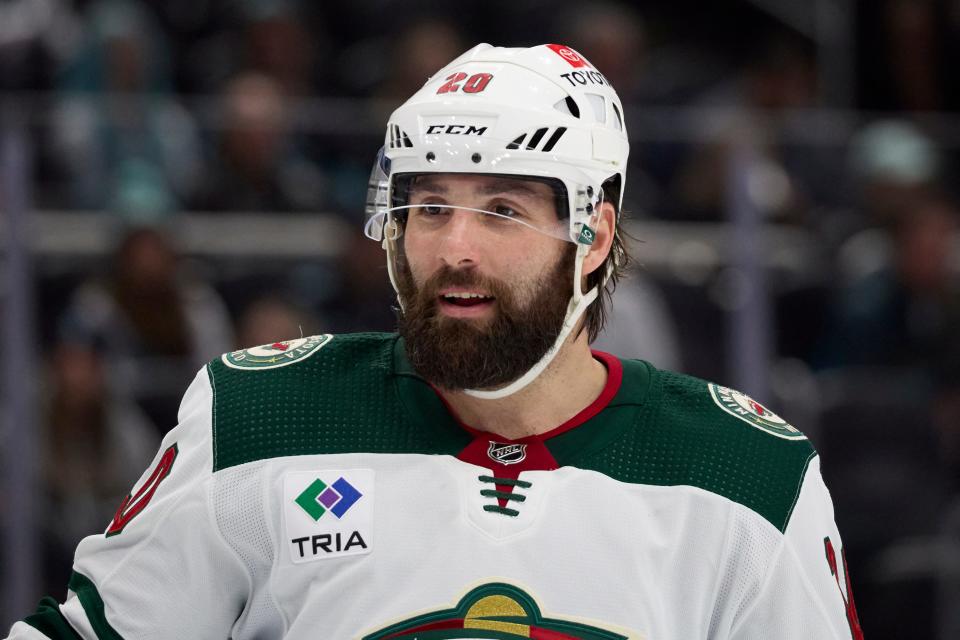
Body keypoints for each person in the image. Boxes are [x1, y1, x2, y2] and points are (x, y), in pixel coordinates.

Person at [7, 43, 863, 639]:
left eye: (502, 210)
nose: (455, 245)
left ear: (594, 238)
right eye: (429, 205)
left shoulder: (747, 473)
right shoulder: (260, 415)